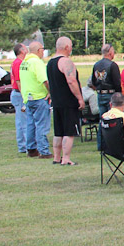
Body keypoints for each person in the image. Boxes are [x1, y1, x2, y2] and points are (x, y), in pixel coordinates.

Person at [46, 36, 86, 166]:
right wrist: (80, 98)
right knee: (69, 132)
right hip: (68, 102)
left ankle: (56, 157)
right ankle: (66, 158)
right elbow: (71, 81)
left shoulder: (50, 62)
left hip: (56, 101)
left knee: (58, 131)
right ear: (67, 47)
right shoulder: (66, 62)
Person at [19, 41, 53, 159]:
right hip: (39, 97)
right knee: (41, 125)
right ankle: (44, 151)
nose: (43, 52)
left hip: (28, 97)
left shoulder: (25, 62)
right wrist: (50, 92)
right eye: (43, 49)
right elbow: (45, 80)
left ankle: (31, 149)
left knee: (30, 124)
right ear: (39, 50)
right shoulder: (37, 63)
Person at [90, 43, 122, 150]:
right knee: (113, 119)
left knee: (102, 120)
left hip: (100, 94)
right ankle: (113, 145)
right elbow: (117, 83)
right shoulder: (112, 65)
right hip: (111, 94)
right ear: (110, 52)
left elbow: (93, 81)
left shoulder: (96, 65)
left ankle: (101, 144)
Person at [10, 43, 28, 154]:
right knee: (24, 121)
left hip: (17, 94)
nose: (27, 50)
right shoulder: (18, 63)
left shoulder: (18, 63)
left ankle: (22, 146)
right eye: (25, 48)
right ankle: (27, 146)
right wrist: (24, 96)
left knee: (20, 121)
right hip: (19, 94)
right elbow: (18, 81)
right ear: (21, 51)